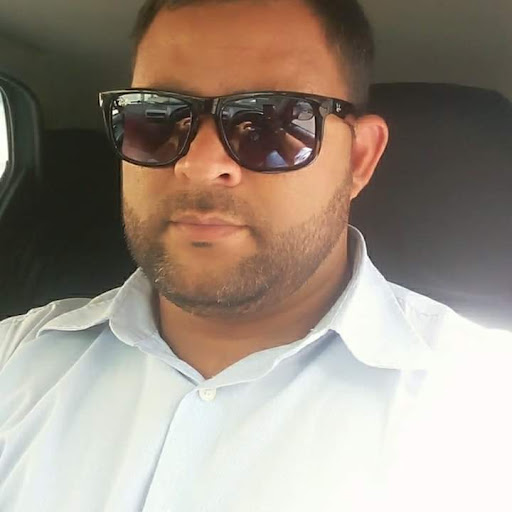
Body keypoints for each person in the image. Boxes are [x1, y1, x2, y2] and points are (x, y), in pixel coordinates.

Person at [1, 0, 511, 510]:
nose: (199, 166)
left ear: (359, 158)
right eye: (155, 118)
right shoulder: (16, 361)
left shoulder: (484, 410)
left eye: (268, 122)